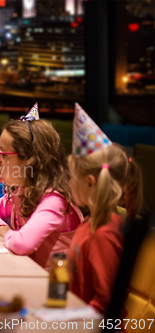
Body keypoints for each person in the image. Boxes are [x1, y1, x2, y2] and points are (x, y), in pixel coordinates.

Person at [67, 114, 143, 313]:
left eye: (73, 177)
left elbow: (104, 305)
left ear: (90, 182)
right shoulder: (91, 222)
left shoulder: (104, 235)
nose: (69, 183)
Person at [0, 118, 83, 269]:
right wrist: (3, 228)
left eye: (4, 154)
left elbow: (21, 244)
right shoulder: (21, 191)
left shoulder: (55, 201)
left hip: (57, 287)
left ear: (29, 160)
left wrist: (8, 234)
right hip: (30, 274)